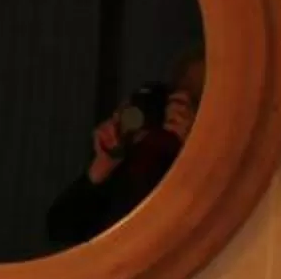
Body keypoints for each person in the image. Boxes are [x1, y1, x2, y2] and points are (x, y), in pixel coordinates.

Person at [45, 52, 202, 247]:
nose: (181, 106)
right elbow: (60, 230)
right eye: (180, 92)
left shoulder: (209, 169)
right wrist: (102, 167)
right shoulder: (135, 158)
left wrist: (193, 150)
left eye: (195, 98)